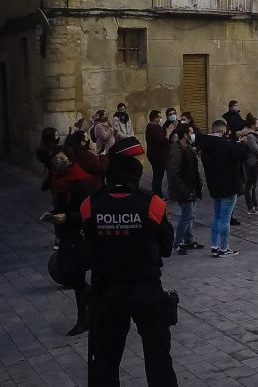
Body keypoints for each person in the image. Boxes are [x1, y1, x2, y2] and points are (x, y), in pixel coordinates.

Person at [79, 136, 176, 386]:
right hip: (147, 291)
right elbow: (166, 248)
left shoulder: (90, 205)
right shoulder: (153, 204)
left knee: (105, 359)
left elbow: (86, 249)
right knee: (158, 359)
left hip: (107, 292)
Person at [42, 146, 93, 335]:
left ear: (70, 159)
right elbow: (61, 206)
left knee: (75, 276)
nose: (58, 162)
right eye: (55, 159)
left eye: (62, 158)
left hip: (79, 238)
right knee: (68, 274)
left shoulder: (80, 182)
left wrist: (67, 218)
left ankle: (84, 317)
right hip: (65, 236)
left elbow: (88, 211)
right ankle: (88, 308)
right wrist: (53, 215)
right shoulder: (58, 181)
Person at [196, 119, 250, 258]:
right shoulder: (224, 145)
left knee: (216, 216)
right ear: (222, 131)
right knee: (225, 219)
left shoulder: (206, 145)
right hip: (229, 186)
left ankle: (214, 246)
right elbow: (242, 155)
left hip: (214, 186)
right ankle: (224, 248)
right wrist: (243, 144)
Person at [166, 124, 205, 255]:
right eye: (190, 132)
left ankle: (188, 240)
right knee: (186, 216)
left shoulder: (187, 147)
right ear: (185, 134)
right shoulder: (176, 150)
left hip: (191, 187)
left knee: (191, 215)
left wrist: (198, 183)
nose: (192, 135)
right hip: (184, 189)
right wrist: (184, 190)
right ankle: (178, 243)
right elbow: (174, 173)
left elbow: (193, 169)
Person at [240, 114, 258, 215]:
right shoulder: (250, 136)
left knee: (253, 185)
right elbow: (256, 149)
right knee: (249, 185)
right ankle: (250, 207)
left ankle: (255, 205)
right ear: (252, 125)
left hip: (255, 162)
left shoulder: (254, 134)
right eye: (257, 124)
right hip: (251, 162)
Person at [144, 110, 171, 198]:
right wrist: (168, 134)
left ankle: (157, 193)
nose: (160, 118)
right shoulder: (153, 128)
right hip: (157, 156)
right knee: (158, 175)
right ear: (154, 118)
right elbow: (161, 140)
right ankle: (157, 194)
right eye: (159, 117)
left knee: (158, 175)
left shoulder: (154, 126)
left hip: (157, 155)